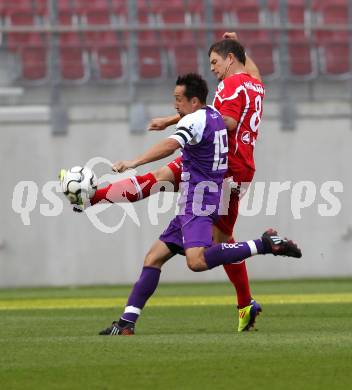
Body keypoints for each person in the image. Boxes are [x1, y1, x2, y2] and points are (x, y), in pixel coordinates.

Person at [60, 33, 265, 332]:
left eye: (216, 62)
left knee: (218, 244)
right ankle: (92, 197)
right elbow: (251, 73)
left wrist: (174, 121)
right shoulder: (254, 82)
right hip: (224, 162)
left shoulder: (232, 85)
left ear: (230, 59)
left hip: (223, 168)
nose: (213, 69)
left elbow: (226, 122)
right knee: (159, 180)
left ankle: (248, 296)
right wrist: (238, 45)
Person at [98, 73, 301, 336]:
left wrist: (133, 162)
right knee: (154, 257)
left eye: (178, 99)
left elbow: (171, 145)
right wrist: (172, 119)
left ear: (194, 101)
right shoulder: (213, 114)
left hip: (199, 200)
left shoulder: (198, 118)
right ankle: (127, 322)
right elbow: (229, 117)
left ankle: (263, 244)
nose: (175, 104)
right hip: (201, 196)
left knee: (197, 261)